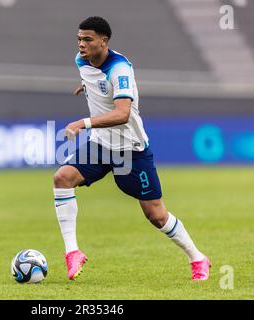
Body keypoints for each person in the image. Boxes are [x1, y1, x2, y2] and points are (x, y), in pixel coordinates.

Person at [53, 16, 211, 281]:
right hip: (101, 145)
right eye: (79, 39)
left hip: (131, 149)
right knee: (62, 178)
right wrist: (88, 88)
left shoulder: (120, 70)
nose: (81, 44)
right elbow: (95, 81)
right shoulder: (82, 61)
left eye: (88, 39)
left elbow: (123, 113)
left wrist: (84, 122)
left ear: (104, 42)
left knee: (155, 214)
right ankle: (73, 253)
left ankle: (197, 258)